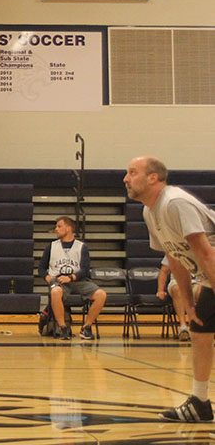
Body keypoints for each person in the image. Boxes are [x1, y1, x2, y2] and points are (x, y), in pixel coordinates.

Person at [125, 156, 215, 423]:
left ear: (153, 177)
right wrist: (188, 302)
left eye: (132, 172)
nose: (125, 178)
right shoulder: (150, 211)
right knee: (200, 331)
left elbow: (205, 252)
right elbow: (174, 258)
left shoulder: (174, 203)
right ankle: (200, 402)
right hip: (209, 277)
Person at [38, 216, 107, 340]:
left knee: (101, 294)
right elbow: (41, 268)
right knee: (55, 291)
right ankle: (63, 328)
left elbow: (85, 270)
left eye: (59, 226)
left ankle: (86, 327)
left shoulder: (81, 247)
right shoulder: (51, 246)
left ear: (69, 228)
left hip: (78, 280)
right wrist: (47, 277)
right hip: (59, 281)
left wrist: (71, 277)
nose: (56, 229)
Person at [157, 255, 201, 342]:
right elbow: (164, 271)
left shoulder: (200, 248)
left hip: (196, 282)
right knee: (178, 289)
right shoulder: (173, 250)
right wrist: (160, 290)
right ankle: (183, 327)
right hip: (177, 282)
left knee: (202, 292)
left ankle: (197, 326)